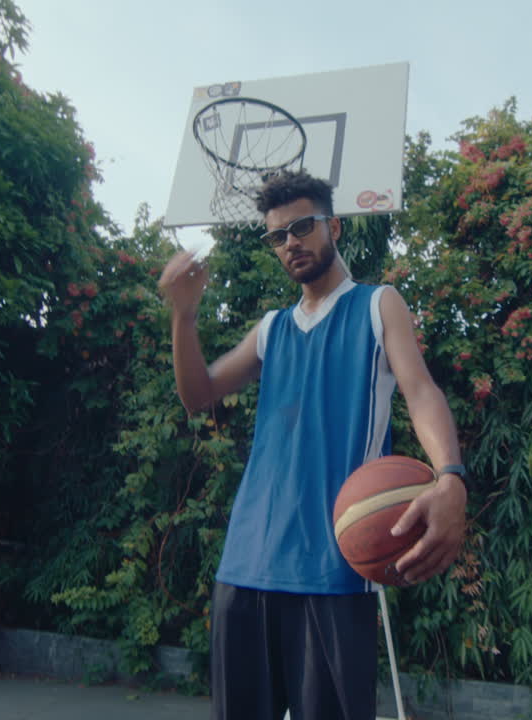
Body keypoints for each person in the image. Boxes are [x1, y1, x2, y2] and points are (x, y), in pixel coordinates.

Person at [158, 171, 467, 720]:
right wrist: (184, 316)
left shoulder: (377, 305)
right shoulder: (273, 328)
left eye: (302, 226)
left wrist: (449, 475)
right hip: (246, 564)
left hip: (334, 566)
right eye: (277, 236)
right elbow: (197, 394)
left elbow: (421, 393)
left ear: (335, 227)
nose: (290, 243)